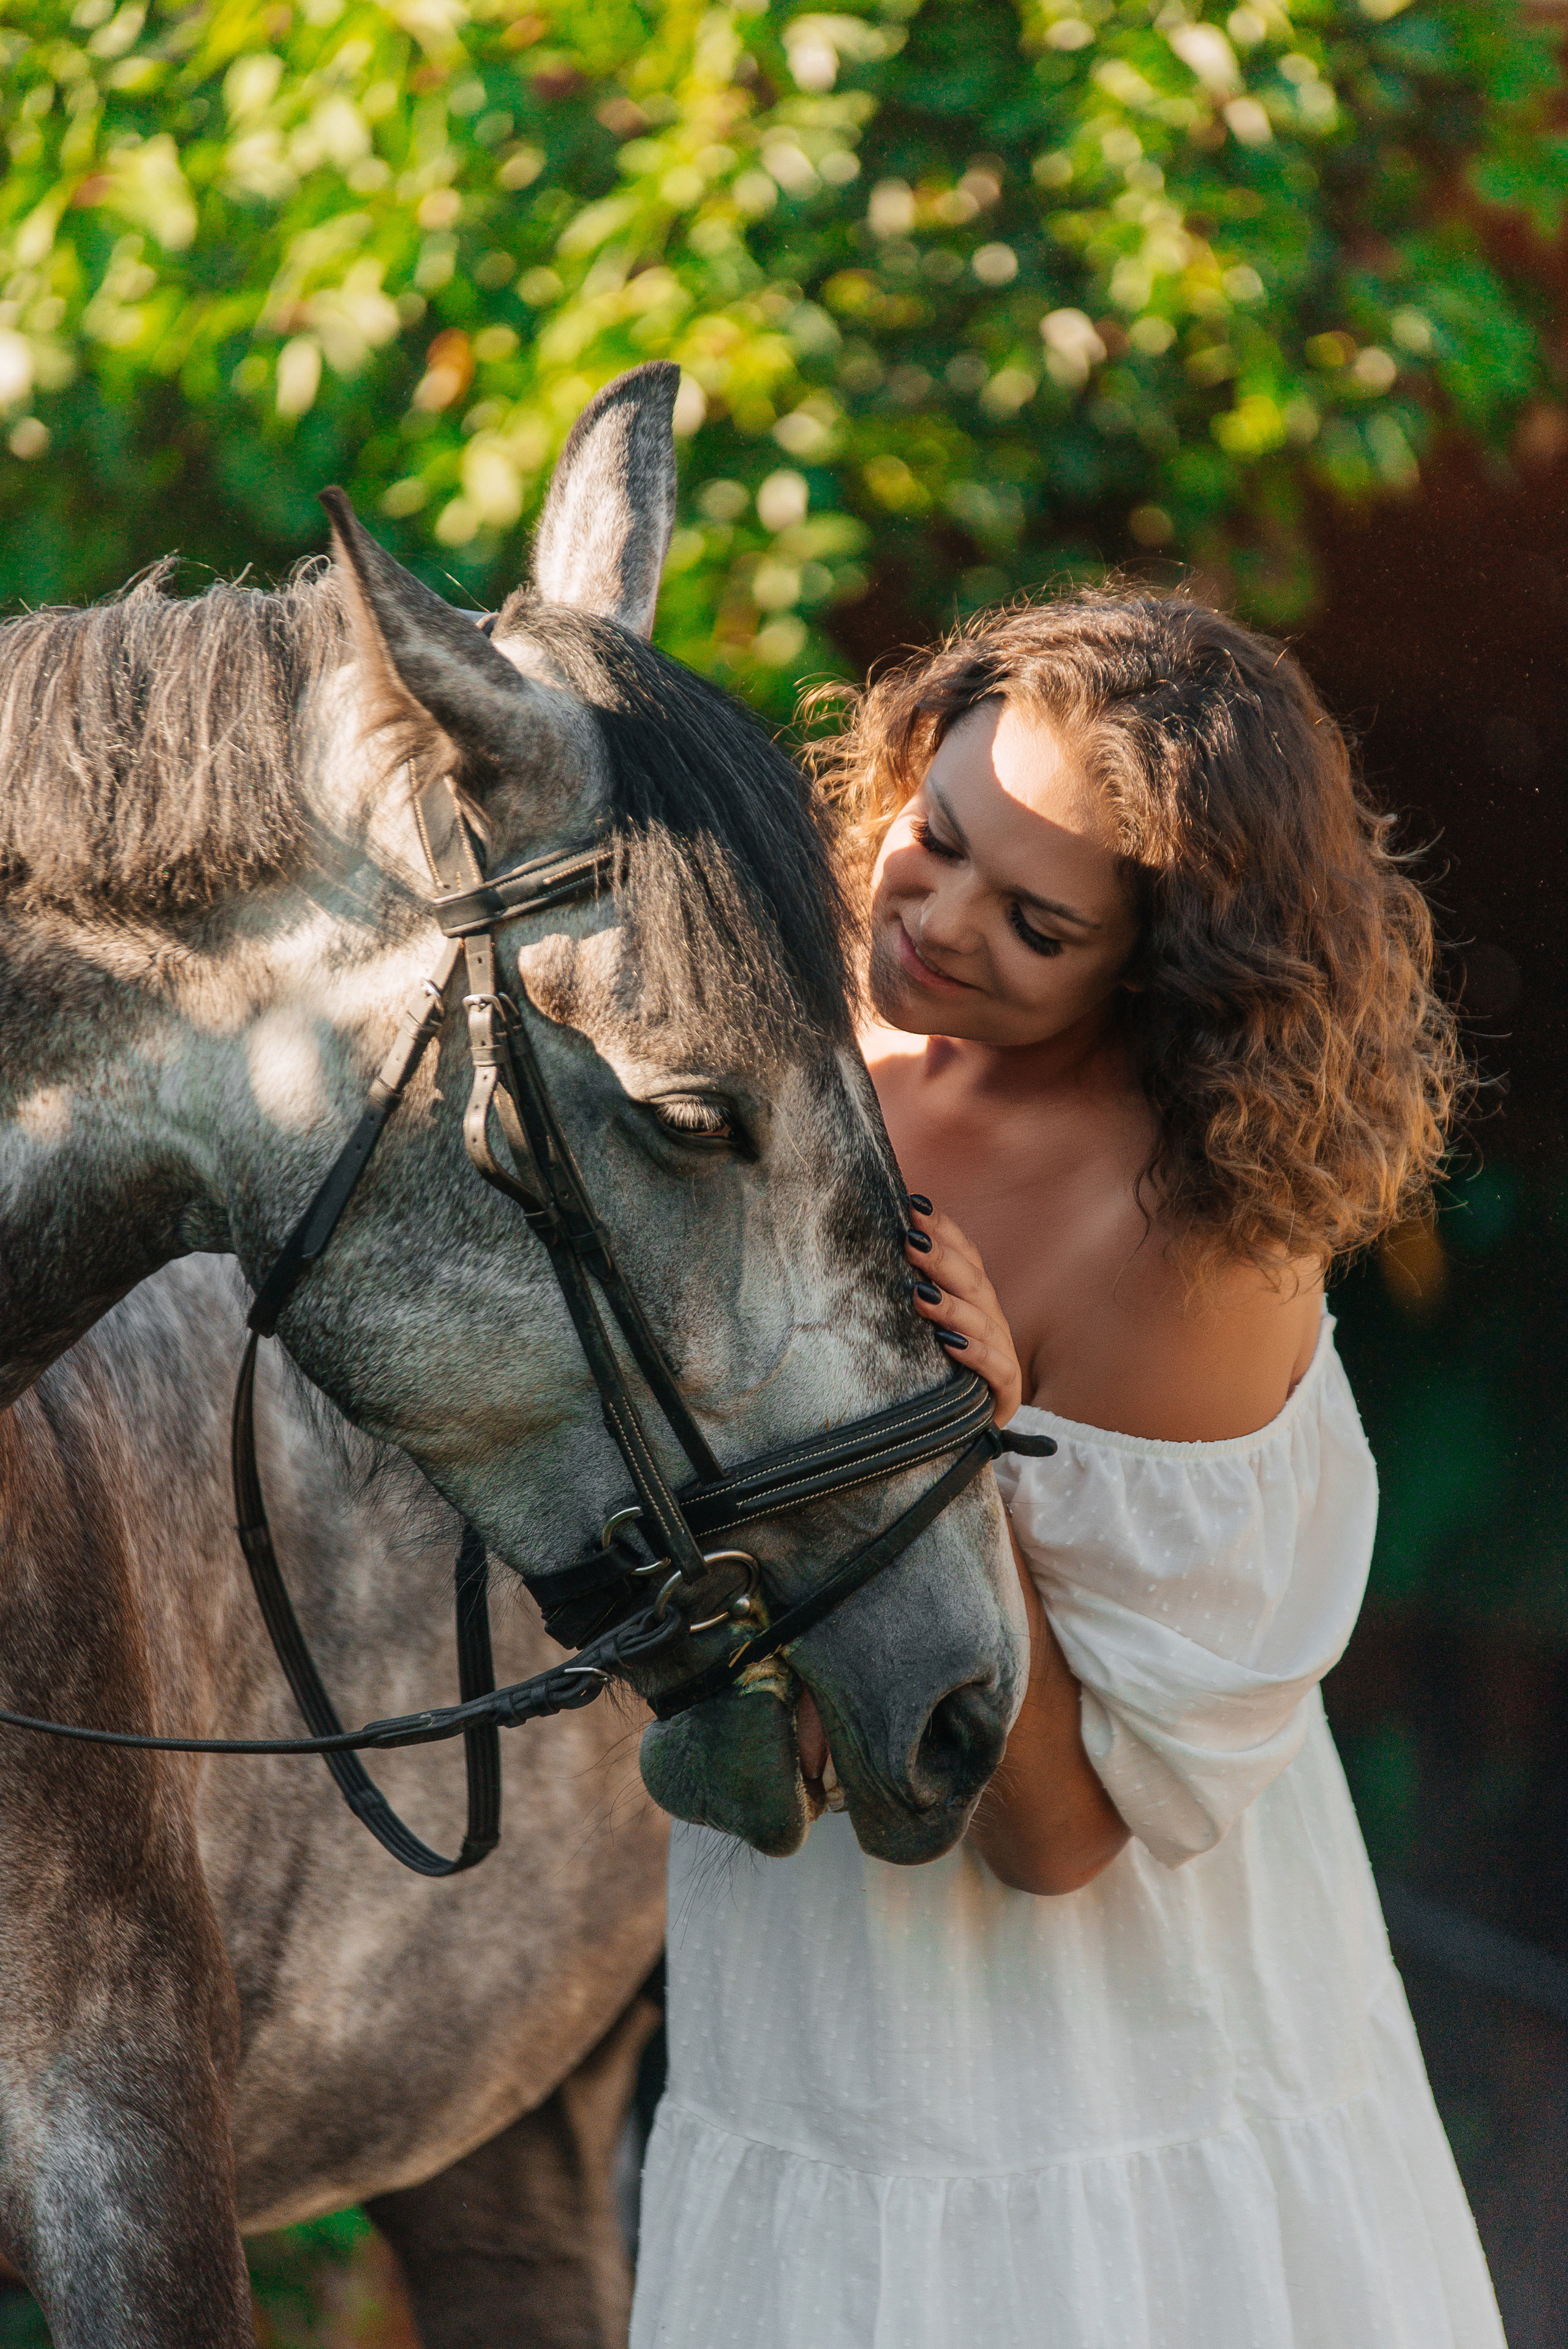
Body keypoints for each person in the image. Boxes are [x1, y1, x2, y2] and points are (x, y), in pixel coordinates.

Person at [629, 590, 1504, 2348]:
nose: (938, 922)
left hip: (1067, 2062)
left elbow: (1057, 1840)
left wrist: (956, 1449)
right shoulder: (794, 1024)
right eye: (931, 841)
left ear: (1156, 963)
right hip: (803, 1990)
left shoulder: (1187, 1246)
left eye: (1034, 922)